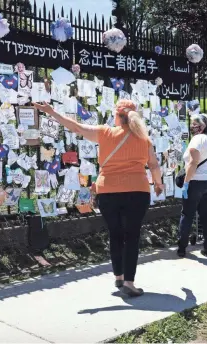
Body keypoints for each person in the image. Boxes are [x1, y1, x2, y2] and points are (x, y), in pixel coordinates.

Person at [33, 100, 164, 297]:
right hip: (137, 190)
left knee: (115, 233)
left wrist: (51, 111)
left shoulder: (105, 132)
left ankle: (118, 276)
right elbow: (153, 165)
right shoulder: (144, 139)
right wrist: (159, 183)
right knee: (132, 236)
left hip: (108, 191)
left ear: (117, 117)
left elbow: (75, 126)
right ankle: (129, 281)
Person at [177, 113, 207, 258]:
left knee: (187, 214)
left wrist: (186, 183)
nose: (192, 127)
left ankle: (182, 248)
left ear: (202, 126)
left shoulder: (196, 140)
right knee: (206, 215)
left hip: (196, 182)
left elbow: (193, 163)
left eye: (195, 124)